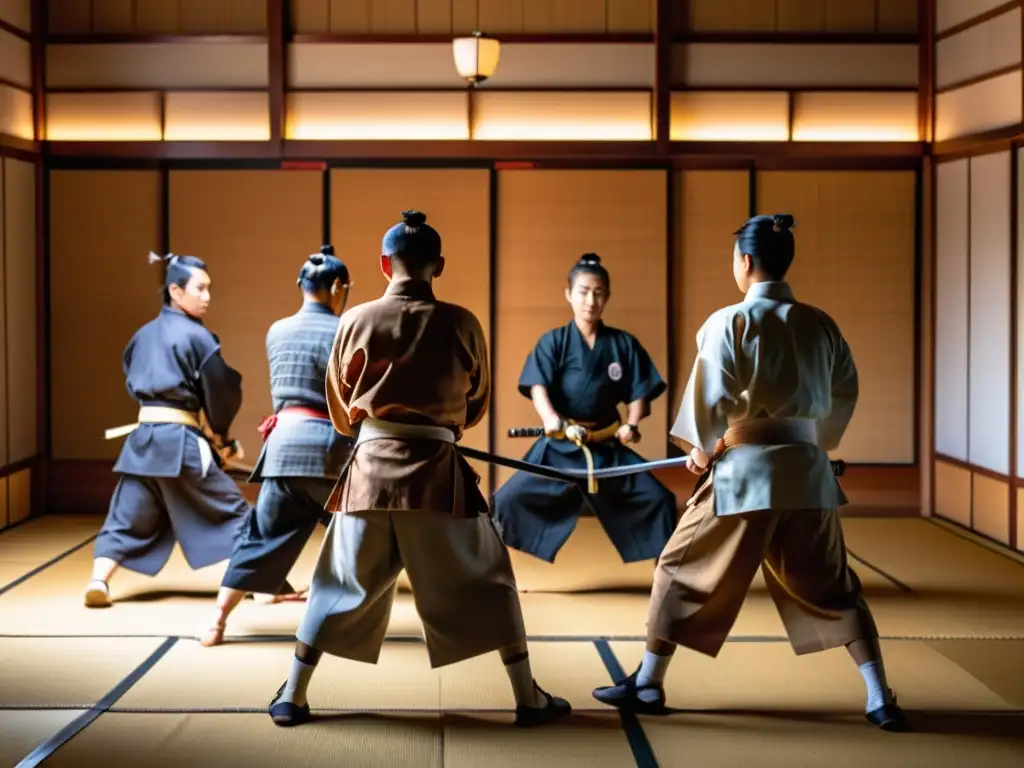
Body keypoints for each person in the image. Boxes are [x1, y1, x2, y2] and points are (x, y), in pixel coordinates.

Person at [591, 214, 907, 732]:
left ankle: (648, 681)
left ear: (744, 262)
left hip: (747, 476)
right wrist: (815, 442)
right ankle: (879, 696)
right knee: (832, 587)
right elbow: (844, 390)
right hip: (808, 475)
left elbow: (710, 400)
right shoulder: (820, 323)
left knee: (677, 566)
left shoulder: (730, 322)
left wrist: (699, 448)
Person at [267, 210, 570, 729]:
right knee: (490, 581)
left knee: (337, 582)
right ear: (439, 266)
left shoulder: (356, 320)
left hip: (368, 477)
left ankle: (292, 695)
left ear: (385, 265)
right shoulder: (462, 323)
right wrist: (441, 426)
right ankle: (527, 698)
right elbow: (475, 405)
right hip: (439, 479)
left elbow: (342, 411)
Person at [199, 245, 354, 647]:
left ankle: (216, 622)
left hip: (283, 452)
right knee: (367, 538)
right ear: (337, 287)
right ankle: (348, 626)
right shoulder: (346, 330)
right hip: (332, 455)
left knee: (260, 538)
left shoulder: (277, 330)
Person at [85, 252, 250, 608]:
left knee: (125, 516)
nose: (207, 297)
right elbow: (220, 390)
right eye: (200, 289)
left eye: (209, 289)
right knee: (234, 510)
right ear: (175, 291)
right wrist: (221, 437)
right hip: (180, 443)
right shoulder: (198, 337)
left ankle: (99, 580)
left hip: (143, 442)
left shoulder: (141, 336)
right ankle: (262, 582)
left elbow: (132, 380)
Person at [492, 254, 676, 565]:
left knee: (659, 498)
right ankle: (495, 569)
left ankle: (668, 574)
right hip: (561, 444)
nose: (590, 300)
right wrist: (551, 420)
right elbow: (538, 386)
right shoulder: (554, 342)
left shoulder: (622, 344)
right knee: (506, 501)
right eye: (583, 291)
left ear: (607, 296)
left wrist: (630, 424)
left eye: (598, 292)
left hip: (607, 445)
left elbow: (640, 392)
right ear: (569, 294)